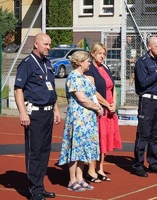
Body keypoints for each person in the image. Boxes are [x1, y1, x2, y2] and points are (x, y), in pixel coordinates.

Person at [14, 33, 61, 200]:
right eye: (46, 44)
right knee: (34, 152)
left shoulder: (48, 64)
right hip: (34, 114)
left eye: (49, 44)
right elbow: (18, 89)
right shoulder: (27, 64)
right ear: (36, 44)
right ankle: (35, 190)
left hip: (48, 112)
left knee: (44, 152)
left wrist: (56, 109)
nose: (49, 47)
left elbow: (52, 89)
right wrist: (22, 112)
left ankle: (40, 186)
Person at [58, 51, 103, 192]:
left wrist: (98, 106)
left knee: (84, 149)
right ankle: (72, 180)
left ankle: (80, 178)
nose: (89, 63)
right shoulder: (73, 77)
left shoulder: (85, 77)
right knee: (75, 149)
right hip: (78, 118)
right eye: (87, 61)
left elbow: (92, 95)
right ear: (80, 62)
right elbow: (82, 98)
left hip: (88, 119)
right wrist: (96, 107)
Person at [85, 42, 122, 183]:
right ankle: (91, 170)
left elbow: (113, 87)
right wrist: (107, 104)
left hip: (110, 109)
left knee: (105, 140)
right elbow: (93, 91)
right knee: (98, 140)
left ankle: (100, 168)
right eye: (100, 53)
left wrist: (114, 104)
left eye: (104, 54)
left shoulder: (105, 68)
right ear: (93, 54)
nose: (102, 56)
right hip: (99, 109)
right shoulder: (90, 70)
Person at [133, 36, 157, 177]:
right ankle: (138, 165)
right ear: (150, 47)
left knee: (156, 134)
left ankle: (153, 163)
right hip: (147, 102)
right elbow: (143, 82)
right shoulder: (142, 62)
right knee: (144, 134)